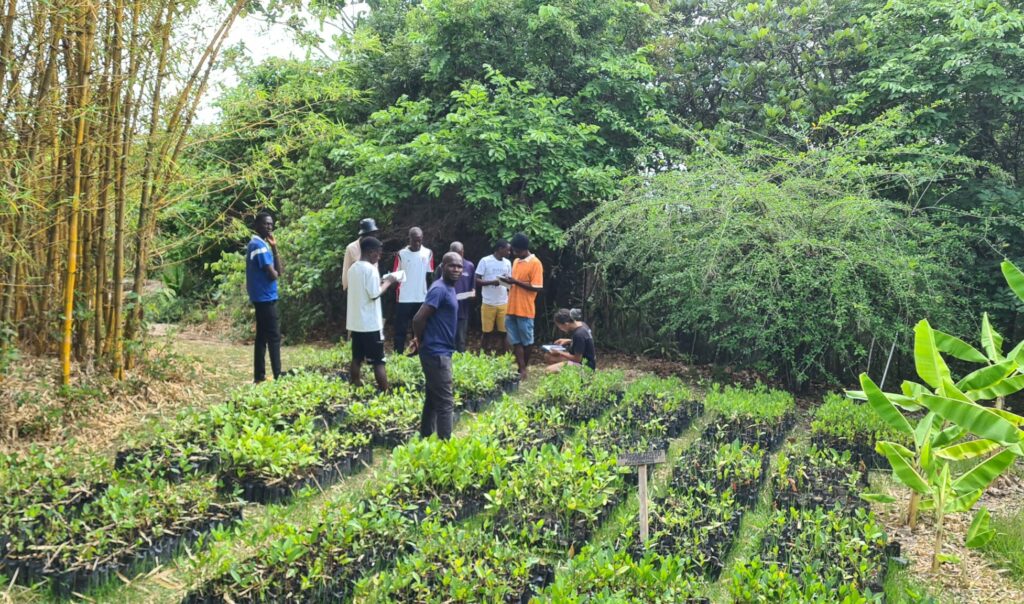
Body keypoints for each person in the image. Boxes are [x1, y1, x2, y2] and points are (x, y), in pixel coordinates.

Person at [410, 251, 463, 440]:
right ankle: (445, 446)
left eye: (459, 266)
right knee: (446, 402)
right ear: (443, 266)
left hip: (440, 351)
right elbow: (418, 318)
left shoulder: (448, 288)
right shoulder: (440, 289)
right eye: (452, 265)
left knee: (433, 397)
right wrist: (420, 339)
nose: (456, 269)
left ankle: (425, 436)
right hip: (436, 352)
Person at [346, 237, 399, 390]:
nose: (379, 256)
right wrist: (388, 282)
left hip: (356, 323)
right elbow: (374, 294)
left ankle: (355, 384)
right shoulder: (371, 270)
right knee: (379, 361)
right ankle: (385, 392)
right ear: (370, 252)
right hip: (370, 324)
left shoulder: (353, 268)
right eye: (378, 253)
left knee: (357, 357)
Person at [246, 211, 283, 383]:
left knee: (261, 338)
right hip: (265, 298)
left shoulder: (261, 244)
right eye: (265, 224)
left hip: (262, 297)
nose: (269, 226)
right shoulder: (258, 246)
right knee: (274, 337)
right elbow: (273, 275)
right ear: (256, 226)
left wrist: (274, 247)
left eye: (271, 223)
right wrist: (275, 270)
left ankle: (259, 377)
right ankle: (278, 376)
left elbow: (279, 272)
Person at [503, 233, 543, 380]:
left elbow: (537, 287)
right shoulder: (516, 262)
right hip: (511, 306)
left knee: (527, 341)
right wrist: (507, 282)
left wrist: (515, 282)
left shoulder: (535, 263)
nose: (514, 253)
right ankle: (521, 369)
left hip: (525, 308)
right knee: (515, 341)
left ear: (523, 249)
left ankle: (524, 367)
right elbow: (514, 282)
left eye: (516, 251)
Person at [392, 227, 434, 353]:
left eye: (419, 241)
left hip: (421, 296)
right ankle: (398, 353)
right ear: (409, 239)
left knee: (418, 327)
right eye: (415, 240)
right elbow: (395, 275)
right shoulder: (401, 254)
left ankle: (416, 352)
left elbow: (429, 275)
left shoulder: (428, 253)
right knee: (401, 328)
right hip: (404, 296)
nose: (417, 243)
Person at [475, 239, 512, 354]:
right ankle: (484, 355)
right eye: (507, 250)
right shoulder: (485, 261)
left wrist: (506, 282)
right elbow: (476, 280)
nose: (509, 252)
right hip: (488, 302)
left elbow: (509, 281)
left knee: (504, 332)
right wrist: (492, 282)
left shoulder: (507, 263)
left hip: (503, 302)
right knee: (487, 332)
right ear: (500, 249)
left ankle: (505, 355)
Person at [448, 242, 475, 352]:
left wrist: (471, 294)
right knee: (449, 338)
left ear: (463, 252)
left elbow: (473, 288)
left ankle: (461, 364)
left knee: (461, 339)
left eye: (459, 253)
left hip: (462, 309)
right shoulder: (444, 266)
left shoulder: (469, 266)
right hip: (447, 310)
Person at [342, 218, 380, 291]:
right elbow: (346, 270)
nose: (372, 236)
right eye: (369, 234)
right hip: (357, 288)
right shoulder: (351, 248)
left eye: (374, 233)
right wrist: (347, 288)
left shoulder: (374, 246)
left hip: (373, 286)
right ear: (363, 234)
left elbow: (375, 267)